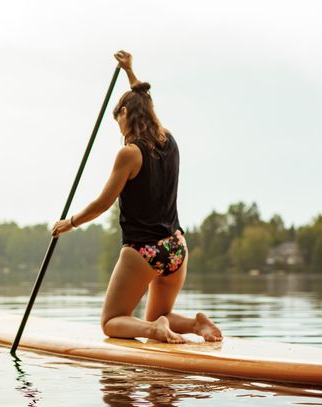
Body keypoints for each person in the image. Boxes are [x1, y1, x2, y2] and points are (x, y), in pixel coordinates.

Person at [52, 50, 222, 344]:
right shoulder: (169, 140)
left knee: (111, 322)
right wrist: (131, 72)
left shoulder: (129, 154)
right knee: (156, 314)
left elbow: (103, 203)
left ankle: (154, 330)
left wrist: (70, 223)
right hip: (176, 247)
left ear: (126, 114)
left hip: (144, 251)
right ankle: (196, 324)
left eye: (116, 117)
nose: (117, 125)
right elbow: (145, 99)